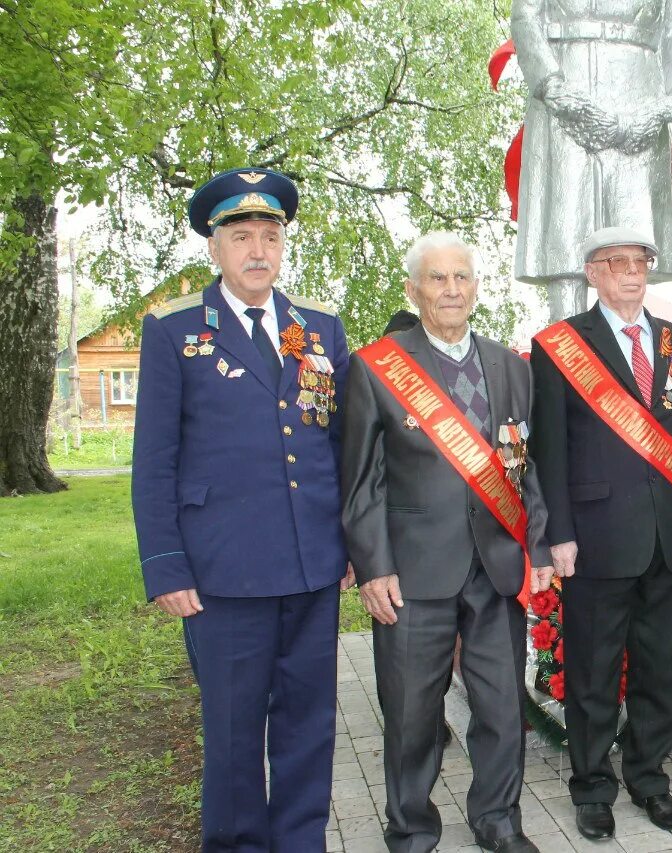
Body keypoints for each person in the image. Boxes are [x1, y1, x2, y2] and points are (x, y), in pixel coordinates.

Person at [132, 167, 354, 849]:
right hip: (222, 573)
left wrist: (353, 548)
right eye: (241, 236)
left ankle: (299, 840)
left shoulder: (319, 329)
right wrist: (166, 567)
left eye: (270, 234)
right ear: (213, 247)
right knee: (232, 731)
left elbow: (343, 450)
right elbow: (154, 460)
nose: (258, 249)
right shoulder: (175, 331)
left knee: (308, 724)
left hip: (313, 564)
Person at [341, 233, 553, 853]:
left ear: (477, 288)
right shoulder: (378, 366)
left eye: (462, 278)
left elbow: (527, 467)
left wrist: (537, 547)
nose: (452, 290)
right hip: (412, 572)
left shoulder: (513, 369)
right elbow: (360, 483)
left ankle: (498, 820)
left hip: (497, 568)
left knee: (502, 707)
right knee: (411, 715)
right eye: (437, 279)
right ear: (413, 290)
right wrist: (373, 565)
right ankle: (410, 825)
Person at [529, 226, 672, 841]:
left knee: (659, 669)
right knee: (595, 672)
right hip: (595, 536)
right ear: (591, 273)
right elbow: (548, 448)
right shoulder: (562, 344)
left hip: (666, 537)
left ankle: (649, 779)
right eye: (617, 263)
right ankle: (592, 785)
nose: (632, 272)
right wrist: (558, 533)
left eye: (640, 262)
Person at [510, 0, 672, 311]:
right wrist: (549, 83)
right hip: (566, 84)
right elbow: (526, 16)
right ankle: (564, 347)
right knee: (565, 237)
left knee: (633, 246)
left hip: (641, 94)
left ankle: (628, 347)